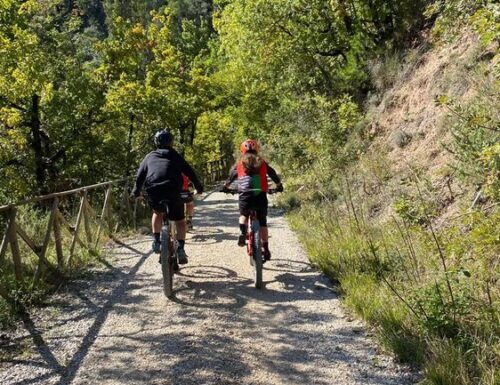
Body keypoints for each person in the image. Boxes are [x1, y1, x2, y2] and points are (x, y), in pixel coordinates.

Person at [132, 130, 203, 264]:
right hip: (173, 191)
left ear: (156, 142)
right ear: (171, 142)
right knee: (180, 222)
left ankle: (157, 241)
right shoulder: (175, 156)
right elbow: (189, 171)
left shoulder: (149, 156)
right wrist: (198, 186)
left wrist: (136, 191)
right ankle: (180, 248)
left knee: (157, 212)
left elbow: (140, 175)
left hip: (154, 191)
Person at [223, 139, 283, 261]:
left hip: (245, 194)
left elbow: (231, 177)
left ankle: (242, 232)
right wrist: (279, 185)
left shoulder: (240, 163)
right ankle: (265, 248)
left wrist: (225, 187)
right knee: (262, 222)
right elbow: (272, 174)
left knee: (243, 214)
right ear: (256, 149)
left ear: (242, 150)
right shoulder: (262, 162)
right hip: (259, 193)